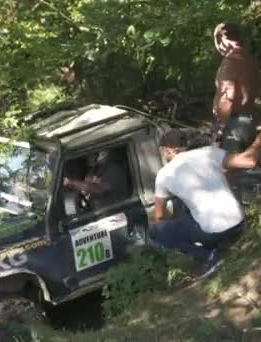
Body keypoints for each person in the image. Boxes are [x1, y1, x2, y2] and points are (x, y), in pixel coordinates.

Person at [150, 128, 261, 277]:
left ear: (167, 150)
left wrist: (172, 222)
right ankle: (220, 245)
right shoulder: (209, 152)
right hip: (239, 223)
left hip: (213, 233)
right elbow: (248, 161)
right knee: (187, 207)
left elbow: (159, 216)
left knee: (157, 230)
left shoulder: (163, 174)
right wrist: (258, 140)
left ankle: (207, 256)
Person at [212, 22, 260, 152]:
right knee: (245, 168)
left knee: (227, 168)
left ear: (221, 39)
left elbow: (228, 96)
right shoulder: (252, 60)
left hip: (233, 125)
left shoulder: (230, 62)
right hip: (250, 121)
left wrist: (221, 129)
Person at [62, 150, 128, 210]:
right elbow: (87, 188)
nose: (87, 158)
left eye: (90, 155)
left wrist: (70, 182)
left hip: (114, 211)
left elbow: (98, 189)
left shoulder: (113, 170)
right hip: (97, 210)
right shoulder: (96, 170)